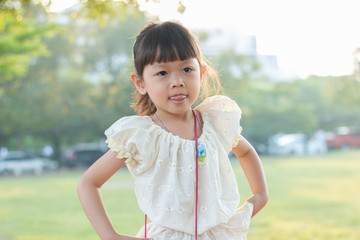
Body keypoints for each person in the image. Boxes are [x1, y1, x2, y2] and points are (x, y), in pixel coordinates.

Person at [78, 21, 268, 240]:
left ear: (201, 73)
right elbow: (89, 183)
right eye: (162, 73)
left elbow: (246, 152)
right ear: (140, 83)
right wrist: (110, 236)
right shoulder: (142, 135)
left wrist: (260, 195)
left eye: (187, 69)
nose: (177, 81)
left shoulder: (214, 123)